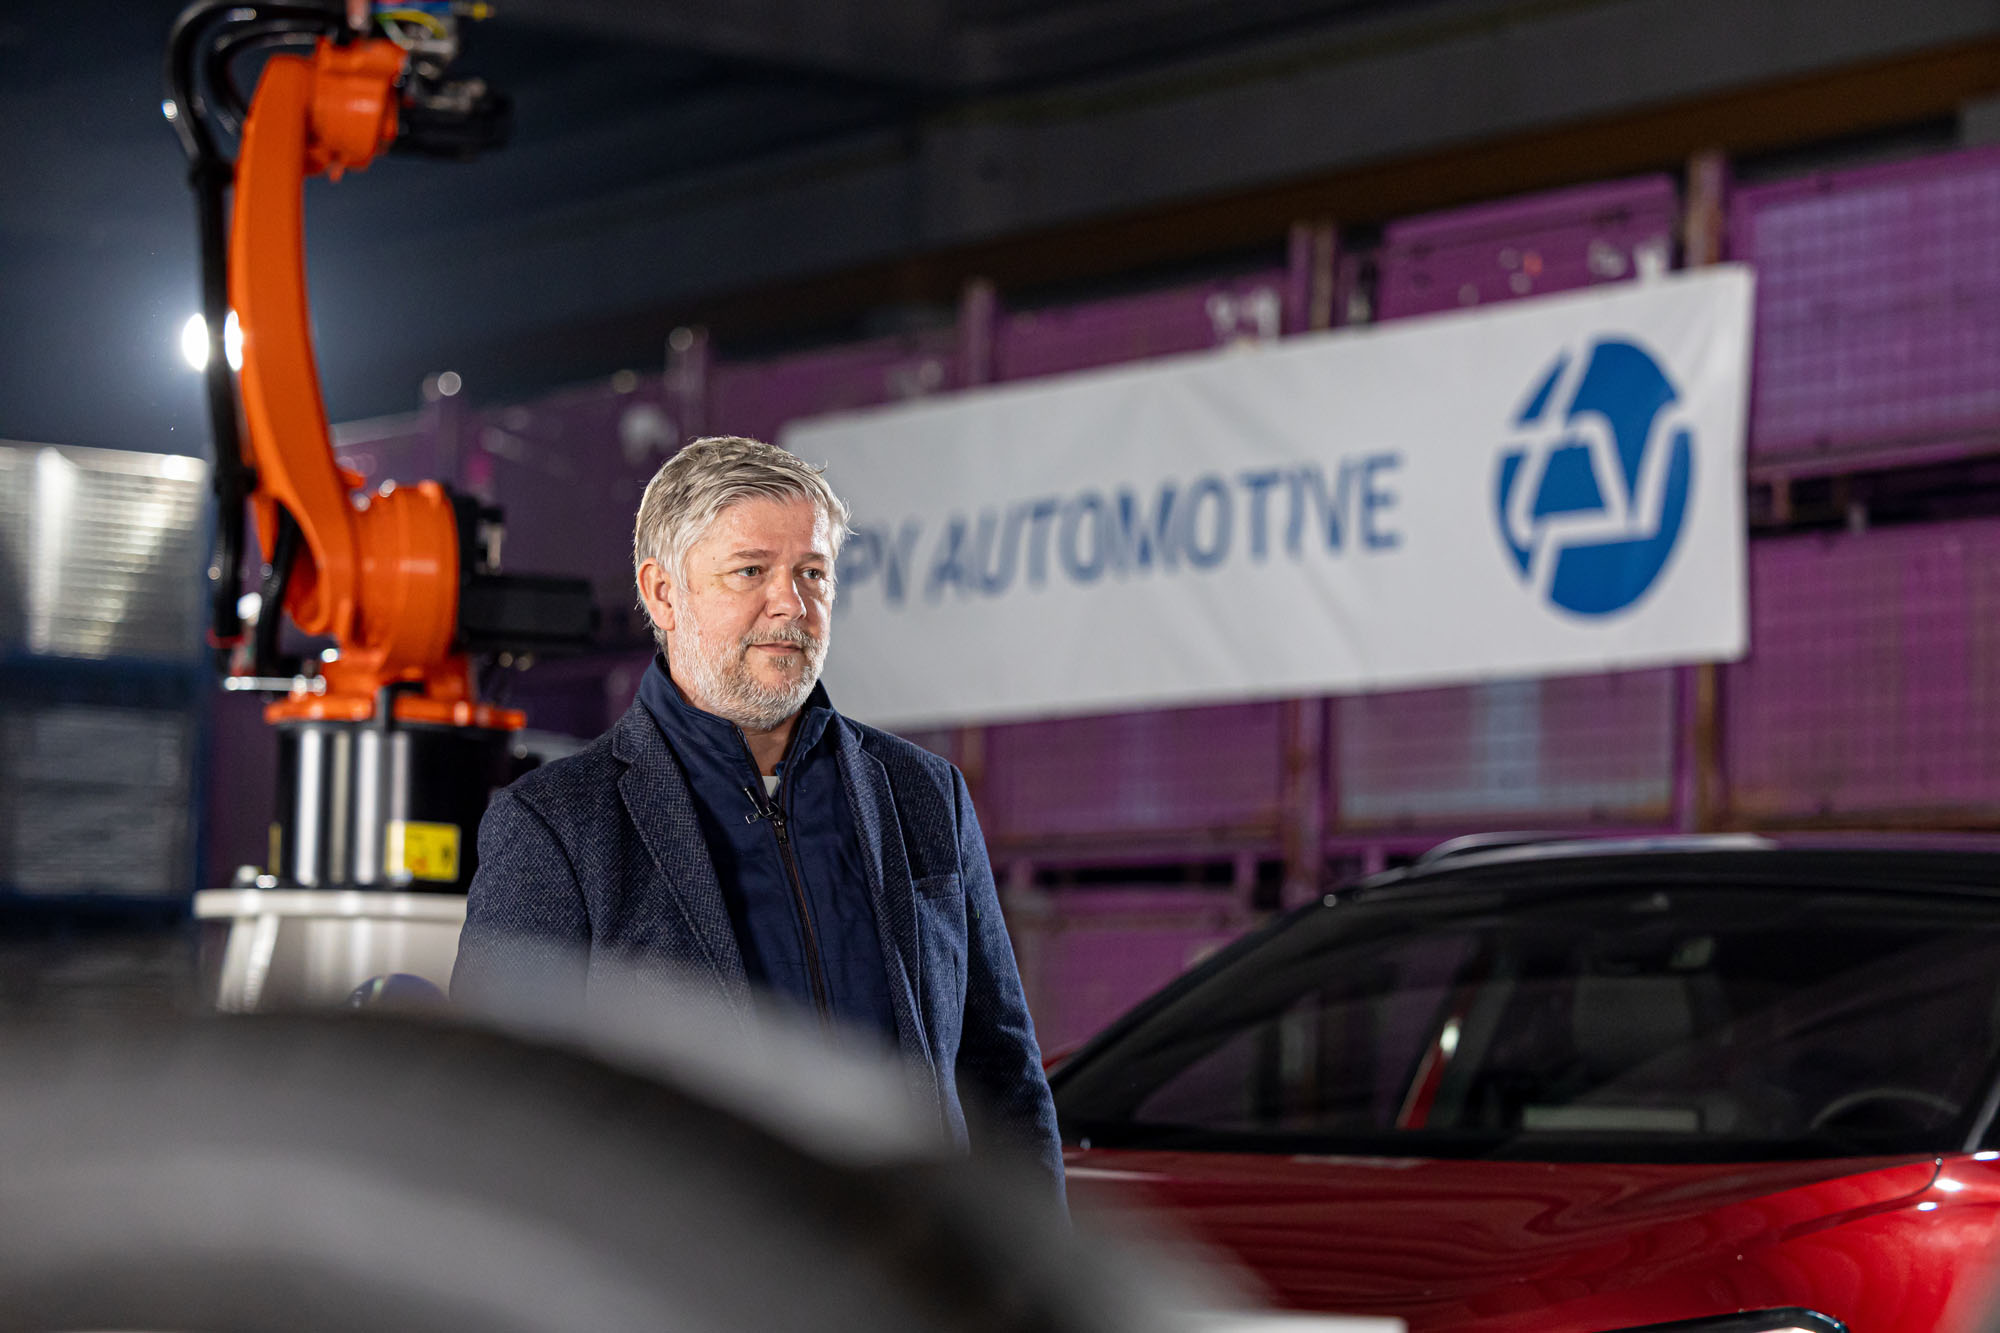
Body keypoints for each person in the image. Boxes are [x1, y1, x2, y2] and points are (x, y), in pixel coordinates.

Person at [452, 435, 1063, 1192]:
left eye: (813, 572)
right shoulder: (558, 827)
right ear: (663, 592)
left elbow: (1004, 1079)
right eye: (750, 571)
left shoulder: (923, 793)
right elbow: (502, 1120)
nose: (792, 604)